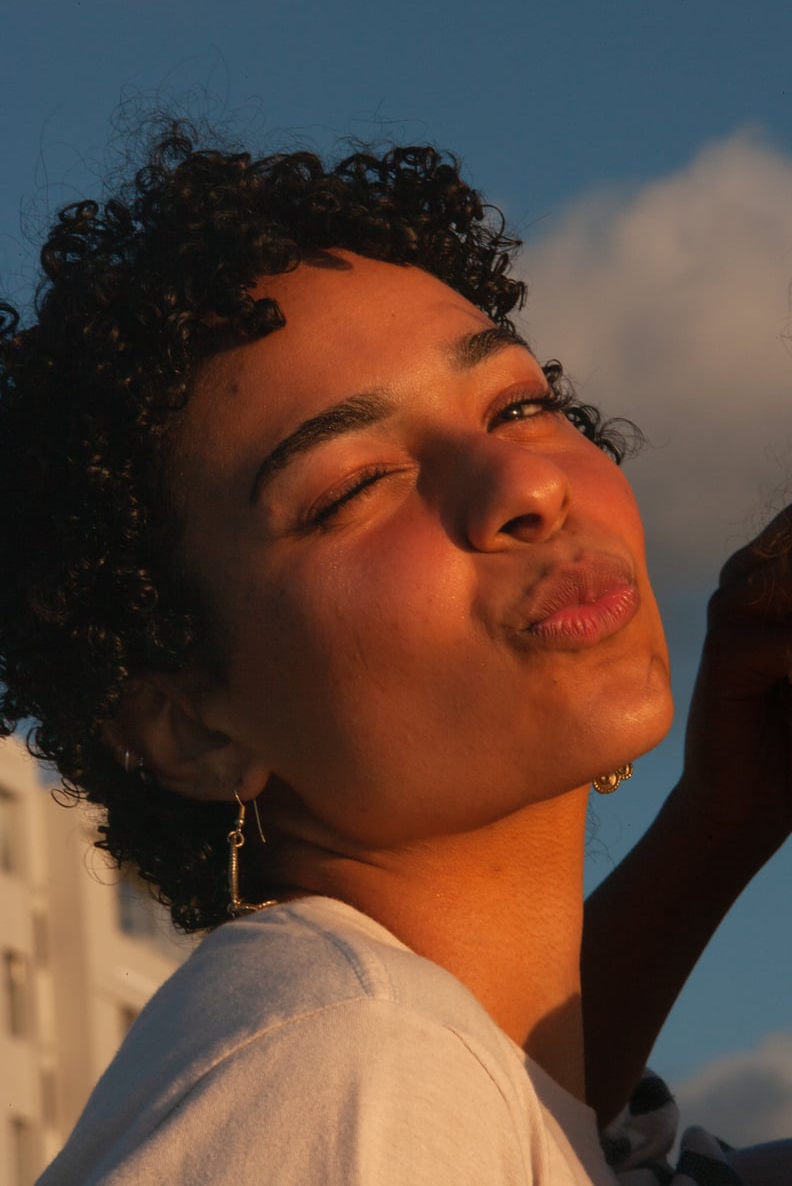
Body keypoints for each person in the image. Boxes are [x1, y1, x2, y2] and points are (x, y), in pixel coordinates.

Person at [0, 123, 790, 1185]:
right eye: (353, 487)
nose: (525, 484)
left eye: (520, 405)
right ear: (189, 724)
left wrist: (720, 823)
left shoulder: (412, 1066)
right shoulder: (353, 1060)